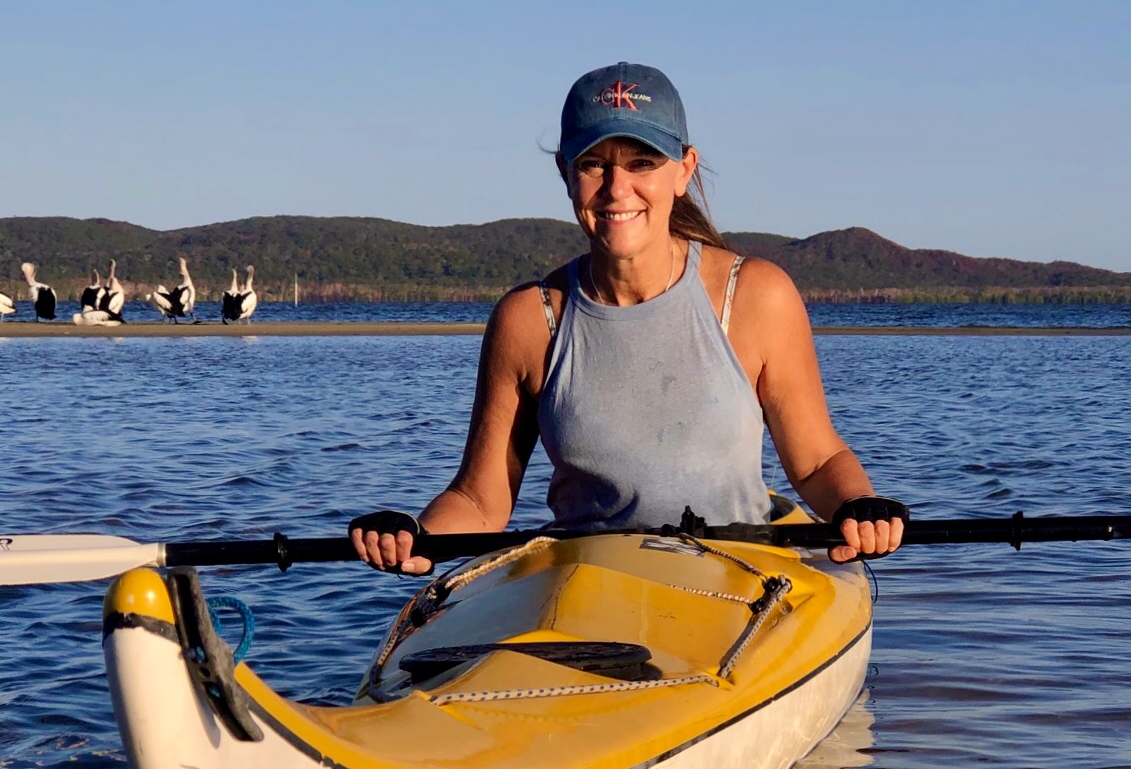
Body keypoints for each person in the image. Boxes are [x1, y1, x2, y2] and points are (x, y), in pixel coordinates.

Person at [351, 61, 908, 575]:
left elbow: (816, 461)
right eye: (594, 164)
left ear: (683, 170)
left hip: (732, 582)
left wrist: (859, 505)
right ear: (566, 172)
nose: (618, 189)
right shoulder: (528, 320)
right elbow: (480, 500)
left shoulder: (757, 296)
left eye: (643, 163)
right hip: (586, 587)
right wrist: (415, 535)